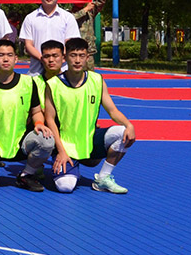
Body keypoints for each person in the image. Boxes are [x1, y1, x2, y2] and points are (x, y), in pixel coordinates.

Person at [44, 37, 136, 194]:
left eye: (81, 55)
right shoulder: (53, 84)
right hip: (66, 146)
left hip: (90, 142)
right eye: (73, 55)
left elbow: (113, 111)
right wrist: (61, 151)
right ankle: (70, 169)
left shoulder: (97, 80)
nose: (77, 60)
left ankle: (103, 178)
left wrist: (129, 125)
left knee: (123, 133)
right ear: (65, 57)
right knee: (65, 187)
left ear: (87, 57)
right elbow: (50, 120)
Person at [0, 39, 55, 191]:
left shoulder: (28, 83)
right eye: (1, 55)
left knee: (47, 140)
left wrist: (39, 123)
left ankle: (26, 175)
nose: (6, 59)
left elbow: (36, 112)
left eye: (9, 55)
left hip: (21, 140)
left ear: (16, 59)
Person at [19, 0, 81, 75]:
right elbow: (28, 45)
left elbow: (70, 44)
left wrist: (56, 59)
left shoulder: (68, 17)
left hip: (62, 69)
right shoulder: (30, 18)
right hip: (37, 70)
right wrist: (43, 59)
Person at [72, 0, 106, 70]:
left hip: (88, 51)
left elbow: (101, 0)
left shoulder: (90, 12)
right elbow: (72, 18)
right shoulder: (68, 13)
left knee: (90, 75)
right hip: (73, 51)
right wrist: (85, 9)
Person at [33, 40, 65, 110]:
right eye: (46, 56)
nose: (51, 60)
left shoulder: (71, 82)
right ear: (42, 59)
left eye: (55, 56)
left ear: (63, 58)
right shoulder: (34, 83)